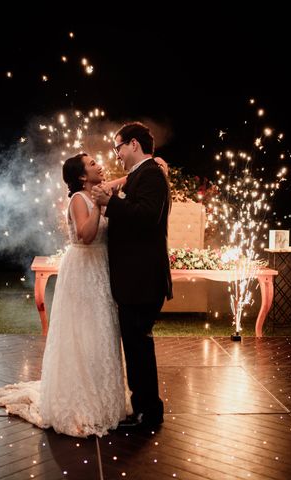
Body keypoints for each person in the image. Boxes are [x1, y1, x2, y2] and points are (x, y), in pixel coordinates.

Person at [0, 153, 130, 437]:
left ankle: (102, 398)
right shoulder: (79, 199)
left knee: (102, 331)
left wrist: (147, 168)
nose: (99, 165)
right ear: (82, 176)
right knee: (82, 332)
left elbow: (120, 181)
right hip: (83, 268)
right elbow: (85, 234)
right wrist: (99, 205)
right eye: (93, 163)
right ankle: (79, 401)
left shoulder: (95, 191)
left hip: (100, 268)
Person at [92, 121, 173, 428]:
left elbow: (147, 216)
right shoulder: (141, 175)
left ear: (134, 144)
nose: (118, 155)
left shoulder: (150, 174)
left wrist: (109, 202)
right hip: (136, 280)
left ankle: (148, 413)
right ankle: (144, 408)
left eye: (119, 147)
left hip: (142, 280)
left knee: (139, 347)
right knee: (137, 345)